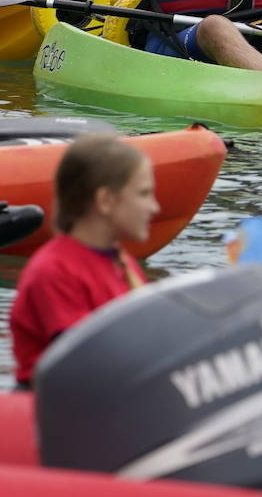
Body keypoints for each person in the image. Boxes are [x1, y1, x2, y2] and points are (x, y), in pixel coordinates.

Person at [9, 134, 159, 389]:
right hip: (52, 412)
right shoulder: (54, 270)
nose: (154, 207)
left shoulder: (123, 263)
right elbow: (82, 363)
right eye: (144, 194)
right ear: (105, 201)